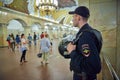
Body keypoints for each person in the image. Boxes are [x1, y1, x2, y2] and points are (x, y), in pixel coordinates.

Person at [67, 6, 102, 80]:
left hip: (83, 77)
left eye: (73, 17)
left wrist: (72, 52)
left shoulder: (85, 36)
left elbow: (93, 66)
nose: (72, 19)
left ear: (78, 18)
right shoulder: (91, 31)